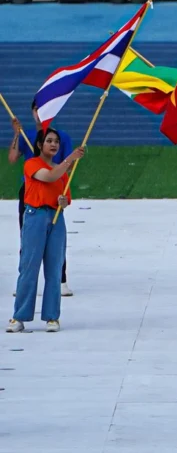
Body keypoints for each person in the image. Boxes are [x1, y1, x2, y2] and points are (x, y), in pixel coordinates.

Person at [7, 129, 83, 333]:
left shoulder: (62, 171)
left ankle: (51, 316)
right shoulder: (32, 164)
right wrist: (70, 159)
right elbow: (49, 177)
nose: (53, 144)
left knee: (54, 268)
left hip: (56, 219)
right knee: (29, 267)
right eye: (49, 141)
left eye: (56, 141)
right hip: (35, 217)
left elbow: (66, 199)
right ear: (40, 145)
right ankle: (19, 316)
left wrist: (62, 202)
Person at [9, 101, 74, 295]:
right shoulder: (27, 135)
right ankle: (25, 280)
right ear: (32, 112)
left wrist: (58, 177)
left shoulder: (60, 137)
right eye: (37, 110)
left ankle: (61, 280)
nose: (40, 113)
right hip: (31, 190)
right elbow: (13, 158)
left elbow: (69, 165)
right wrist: (16, 133)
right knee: (27, 234)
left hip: (54, 188)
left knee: (56, 235)